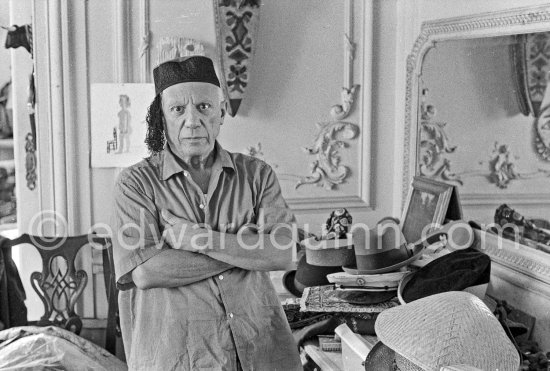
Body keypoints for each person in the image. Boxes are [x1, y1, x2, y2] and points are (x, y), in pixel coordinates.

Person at [111, 56, 302, 371]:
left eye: (203, 107)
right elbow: (147, 272)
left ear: (222, 112)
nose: (192, 121)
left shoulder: (257, 174)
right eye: (178, 109)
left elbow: (283, 254)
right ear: (162, 116)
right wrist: (248, 248)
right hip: (177, 356)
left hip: (259, 350)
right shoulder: (136, 182)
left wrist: (198, 239)